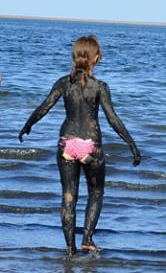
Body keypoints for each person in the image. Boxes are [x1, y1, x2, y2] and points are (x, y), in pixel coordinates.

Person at [18, 36, 141, 256]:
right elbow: (113, 119)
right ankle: (87, 239)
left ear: (74, 57)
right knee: (95, 193)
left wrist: (28, 125)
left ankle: (69, 249)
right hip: (91, 146)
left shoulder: (63, 83)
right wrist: (131, 144)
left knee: (68, 196)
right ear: (97, 58)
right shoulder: (100, 87)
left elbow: (44, 106)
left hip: (67, 143)